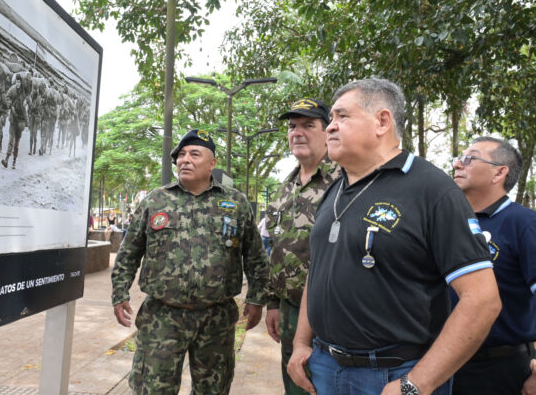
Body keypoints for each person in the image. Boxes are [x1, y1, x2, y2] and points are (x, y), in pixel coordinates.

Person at [288, 78, 501, 395]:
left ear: (382, 121)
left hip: (394, 374)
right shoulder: (334, 190)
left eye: (342, 117)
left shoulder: (432, 190)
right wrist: (301, 342)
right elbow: (318, 269)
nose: (330, 127)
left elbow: (483, 300)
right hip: (325, 367)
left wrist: (416, 383)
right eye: (331, 119)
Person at [111, 129, 269, 394]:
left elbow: (255, 256)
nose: (185, 160)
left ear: (212, 163)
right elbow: (129, 252)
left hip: (216, 318)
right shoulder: (156, 200)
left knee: (214, 389)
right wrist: (119, 292)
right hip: (162, 316)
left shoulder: (236, 203)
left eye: (194, 154)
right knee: (153, 388)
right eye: (181, 155)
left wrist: (256, 298)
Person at [452, 137, 536, 395]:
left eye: (469, 158)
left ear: (499, 172)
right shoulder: (449, 221)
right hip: (438, 366)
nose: (457, 164)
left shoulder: (522, 222)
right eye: (458, 157)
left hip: (497, 370)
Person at [264, 97, 340, 394]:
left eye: (308, 125)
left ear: (327, 132)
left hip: (330, 312)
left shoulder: (344, 179)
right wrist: (273, 302)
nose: (297, 132)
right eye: (293, 126)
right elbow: (276, 248)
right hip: (289, 309)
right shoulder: (286, 186)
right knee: (295, 385)